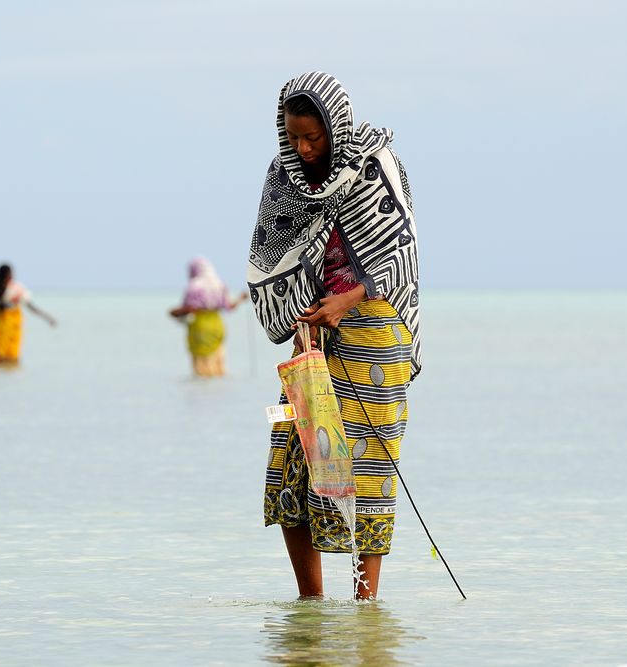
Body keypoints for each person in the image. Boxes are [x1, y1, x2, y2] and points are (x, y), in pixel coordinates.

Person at [248, 72, 421, 600]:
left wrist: (347, 301)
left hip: (375, 332)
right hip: (311, 335)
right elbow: (274, 258)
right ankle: (311, 607)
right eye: (293, 136)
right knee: (293, 459)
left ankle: (366, 606)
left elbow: (398, 252)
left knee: (367, 468)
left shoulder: (376, 167)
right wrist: (304, 320)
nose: (303, 148)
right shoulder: (282, 178)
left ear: (334, 126)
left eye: (313, 137)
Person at [169, 257, 247, 377]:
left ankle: (202, 395)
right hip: (217, 326)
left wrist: (173, 312)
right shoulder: (219, 285)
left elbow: (190, 308)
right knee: (218, 365)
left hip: (200, 328)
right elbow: (229, 306)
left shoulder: (194, 287)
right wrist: (241, 299)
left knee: (201, 368)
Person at [0, 263, 56, 365]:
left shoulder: (16, 288)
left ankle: (7, 370)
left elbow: (30, 306)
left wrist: (48, 318)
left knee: (11, 352)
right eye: (7, 274)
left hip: (13, 324)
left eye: (10, 274)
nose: (9, 276)